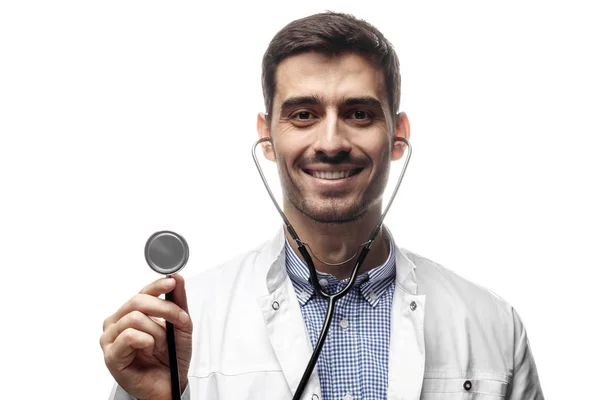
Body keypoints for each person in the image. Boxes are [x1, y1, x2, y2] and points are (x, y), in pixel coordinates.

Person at [100, 12, 544, 400]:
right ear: (267, 136)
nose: (330, 143)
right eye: (303, 115)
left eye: (358, 114)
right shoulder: (182, 324)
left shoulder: (493, 325)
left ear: (398, 135)